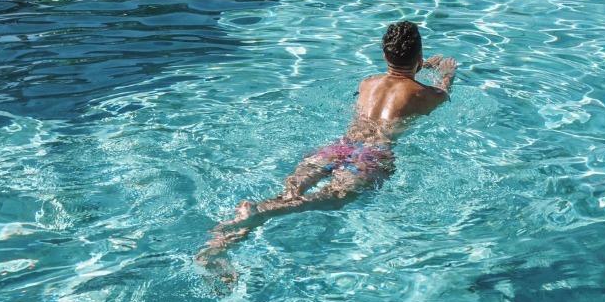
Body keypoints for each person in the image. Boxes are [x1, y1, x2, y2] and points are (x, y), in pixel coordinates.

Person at [196, 21, 457, 267]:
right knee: (332, 198)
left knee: (287, 194)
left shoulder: (367, 83)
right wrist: (445, 76)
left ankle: (222, 242)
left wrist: (417, 67)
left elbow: (397, 82)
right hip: (371, 155)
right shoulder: (428, 95)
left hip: (339, 146)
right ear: (420, 59)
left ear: (385, 56)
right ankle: (259, 213)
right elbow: (438, 92)